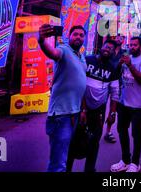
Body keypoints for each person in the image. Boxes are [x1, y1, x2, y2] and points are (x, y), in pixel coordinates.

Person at [38, 24, 87, 172]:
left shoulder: (81, 56)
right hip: (61, 115)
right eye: (75, 34)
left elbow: (81, 83)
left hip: (74, 114)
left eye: (81, 35)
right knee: (58, 163)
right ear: (69, 37)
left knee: (62, 158)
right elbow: (52, 52)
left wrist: (82, 109)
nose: (78, 37)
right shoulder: (64, 50)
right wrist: (41, 40)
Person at [68, 39, 119, 172]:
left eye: (111, 49)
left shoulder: (112, 69)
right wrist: (83, 108)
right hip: (79, 107)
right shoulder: (88, 60)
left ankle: (89, 169)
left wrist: (112, 113)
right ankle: (66, 168)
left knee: (94, 141)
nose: (108, 50)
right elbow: (78, 83)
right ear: (101, 47)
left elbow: (115, 93)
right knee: (73, 139)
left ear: (114, 52)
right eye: (106, 47)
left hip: (98, 110)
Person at [110, 37, 141, 172]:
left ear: (140, 46)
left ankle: (135, 163)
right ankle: (125, 160)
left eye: (135, 45)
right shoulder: (126, 58)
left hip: (138, 105)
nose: (132, 47)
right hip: (124, 102)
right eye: (131, 45)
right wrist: (119, 63)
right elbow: (115, 74)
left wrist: (129, 65)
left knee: (136, 134)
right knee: (121, 131)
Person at [103, 34, 126, 143]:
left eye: (121, 38)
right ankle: (94, 129)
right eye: (117, 37)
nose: (119, 39)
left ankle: (108, 131)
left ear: (123, 40)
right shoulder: (109, 49)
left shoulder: (124, 53)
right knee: (100, 105)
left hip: (117, 83)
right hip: (104, 80)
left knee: (113, 109)